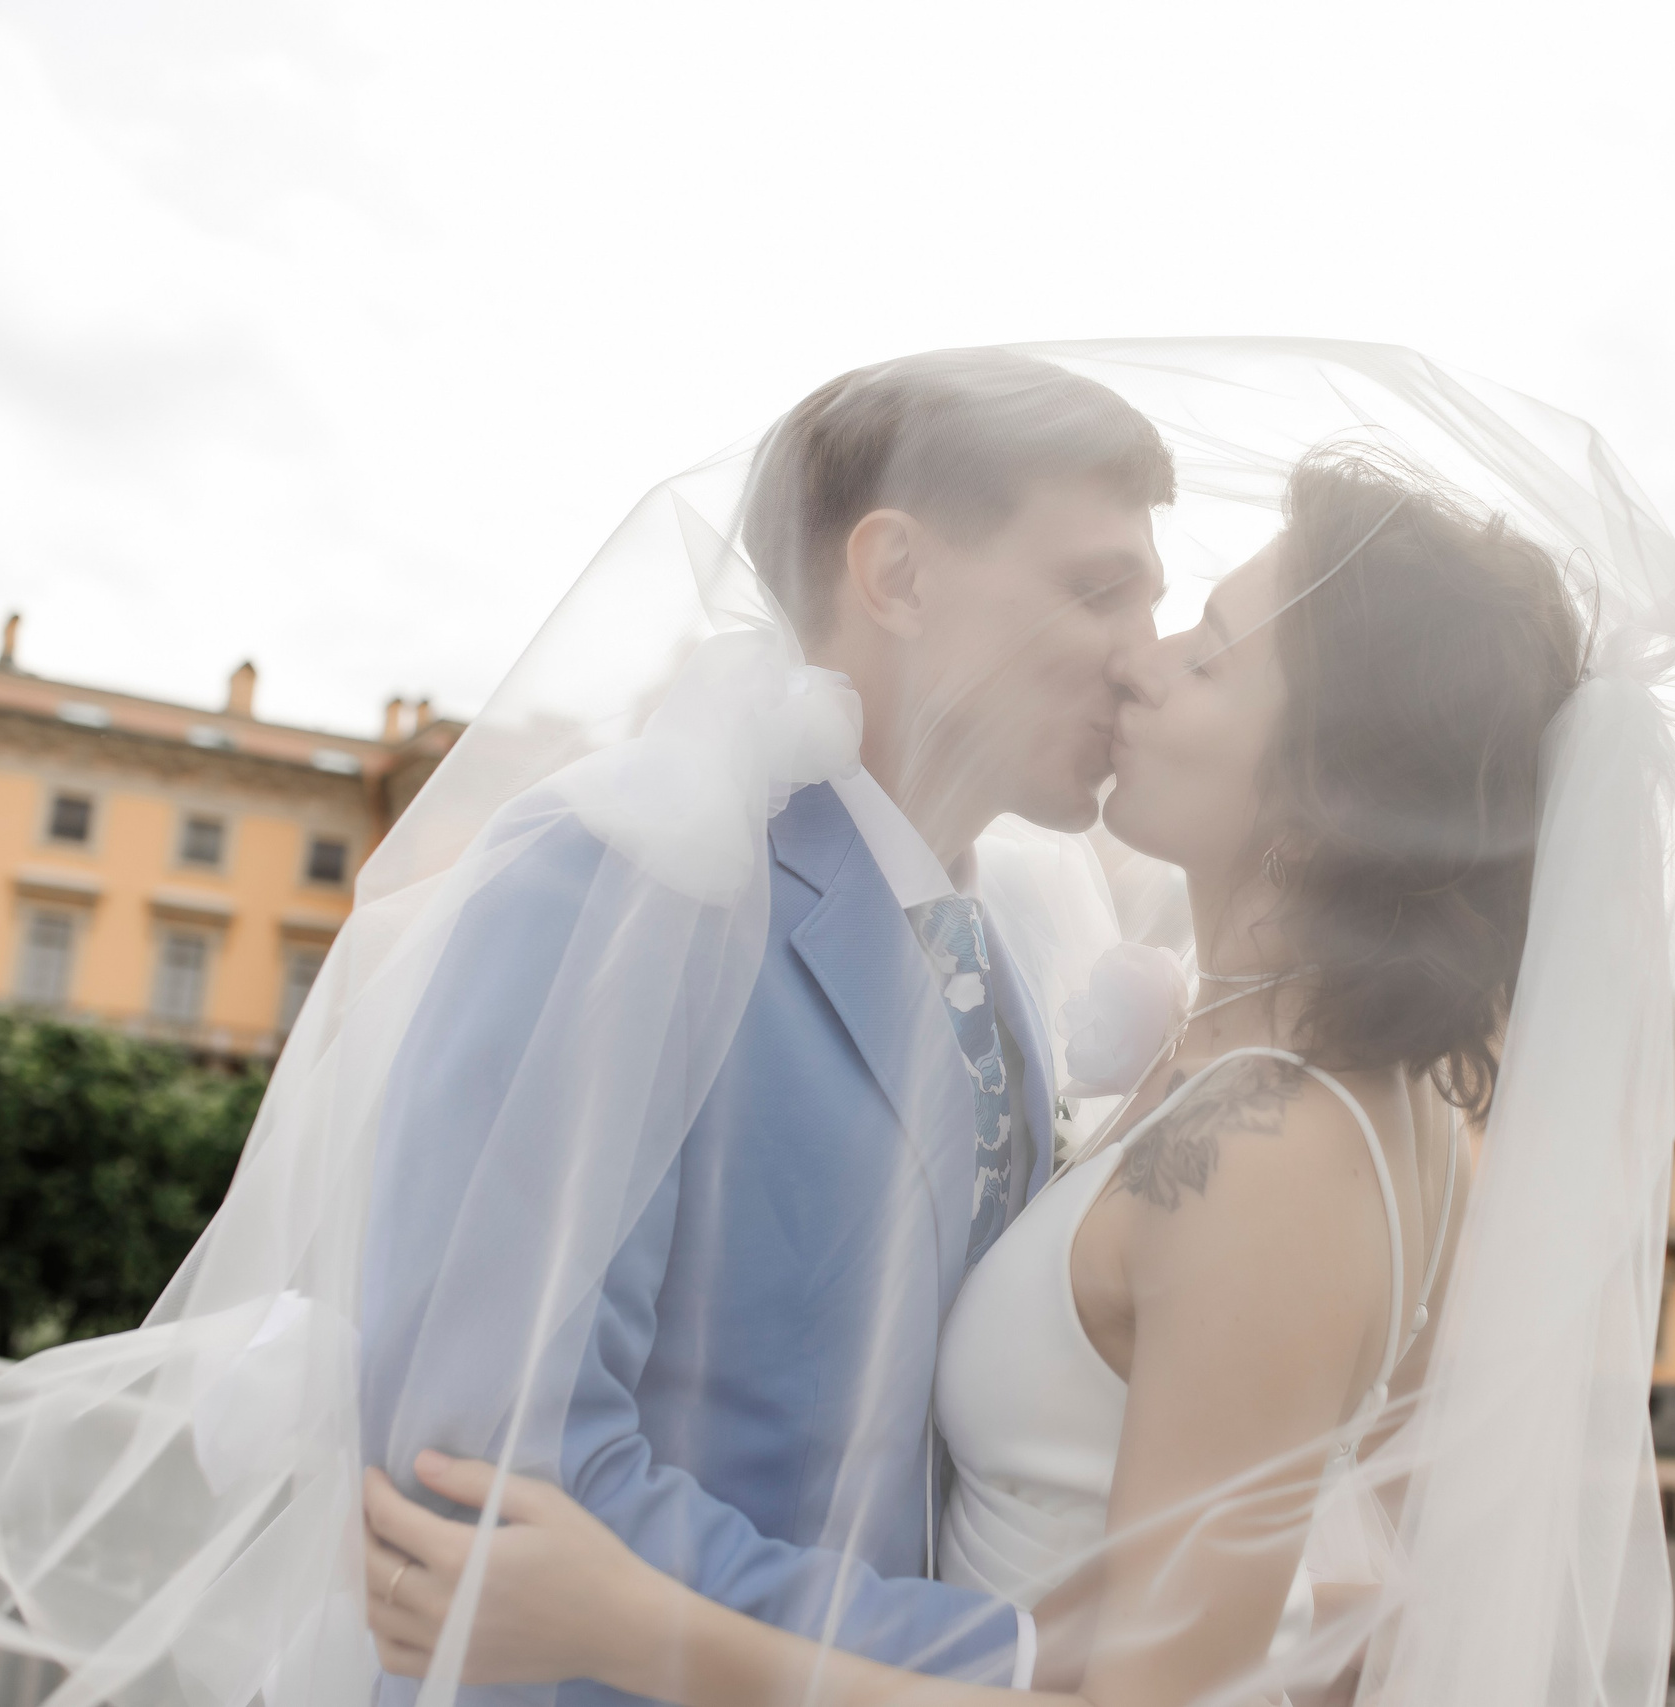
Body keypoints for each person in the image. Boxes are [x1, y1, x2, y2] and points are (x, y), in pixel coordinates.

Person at [357, 448, 1591, 1706]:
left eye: (1207, 655)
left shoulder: (1285, 1144)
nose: (1142, 660)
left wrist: (643, 1630)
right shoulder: (1239, 1063)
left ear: (1329, 788)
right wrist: (1277, 1617)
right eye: (1105, 598)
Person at [359, 349, 1175, 1703]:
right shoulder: (617, 881)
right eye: (1100, 591)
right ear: (898, 575)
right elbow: (484, 1473)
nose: (1147, 658)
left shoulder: (1006, 964)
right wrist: (1024, 1661)